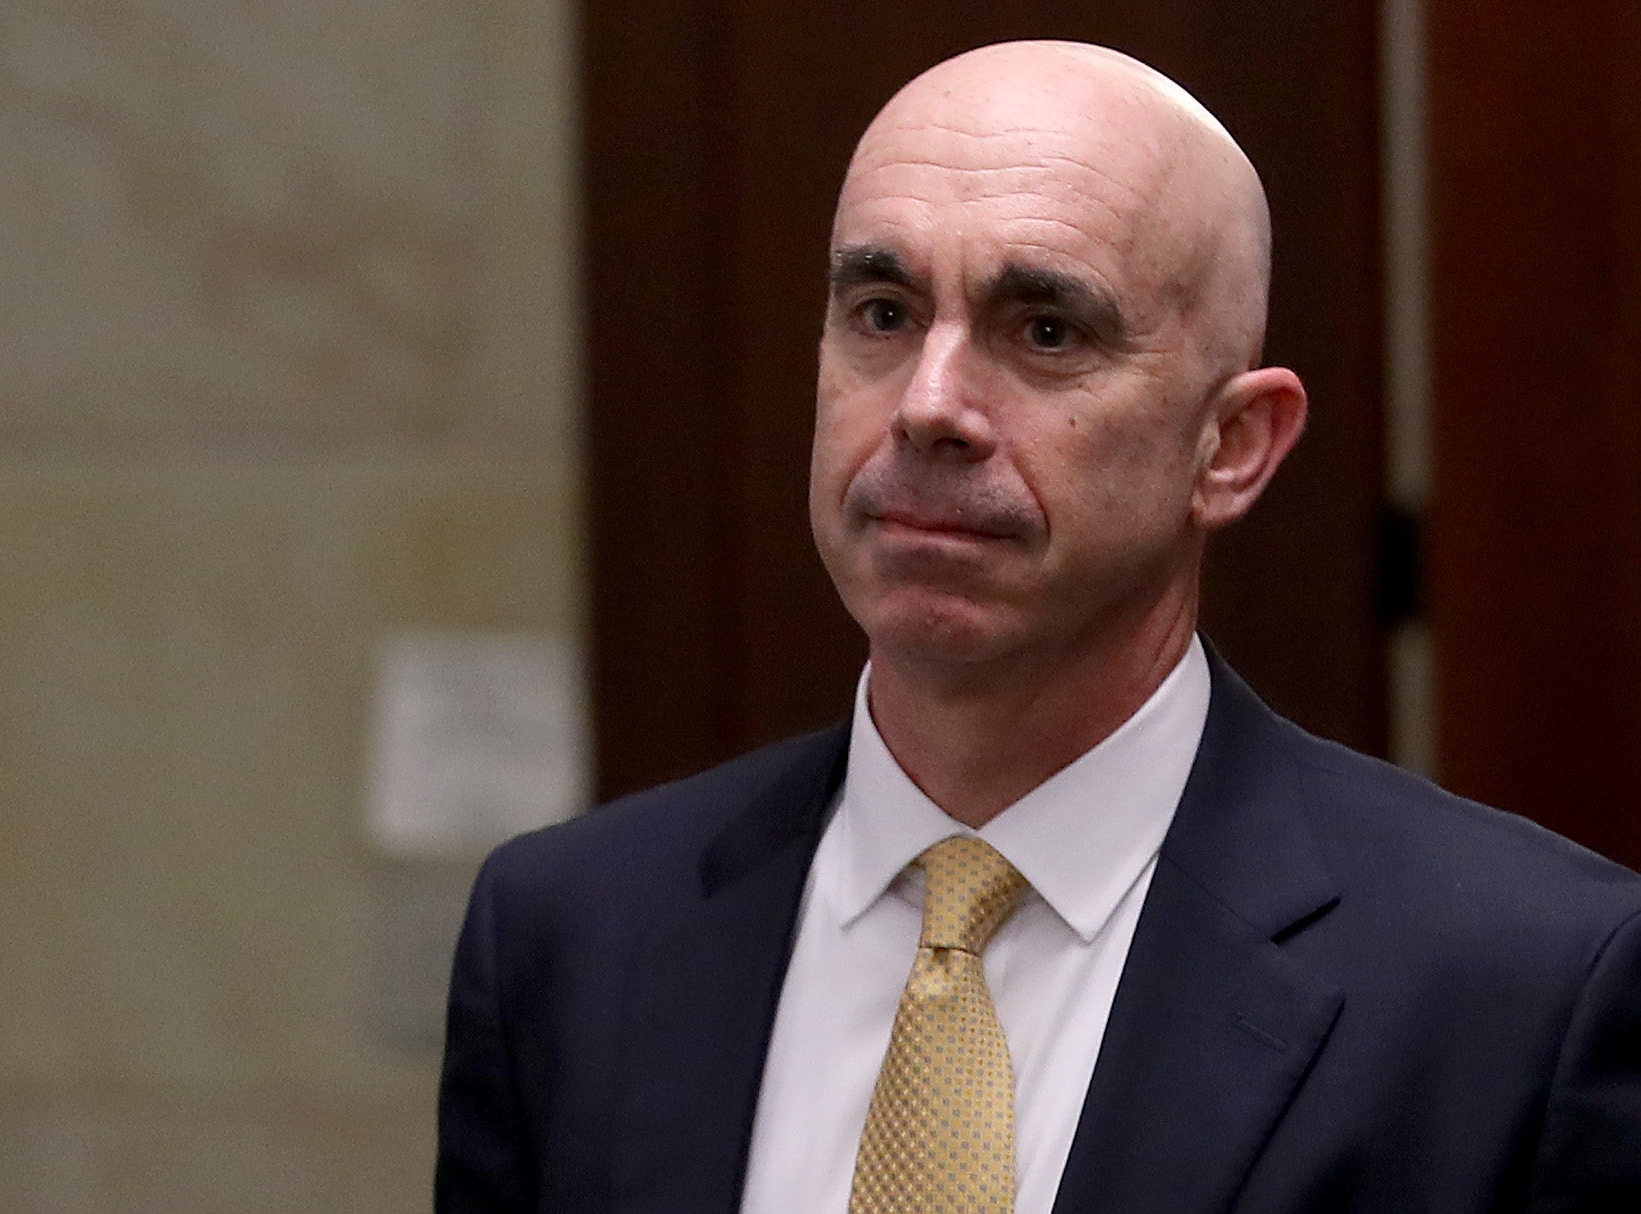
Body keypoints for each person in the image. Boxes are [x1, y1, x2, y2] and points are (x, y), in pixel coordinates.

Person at [434, 40, 1641, 1214]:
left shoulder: (1522, 993)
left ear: (1230, 448)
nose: (928, 406)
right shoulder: (570, 938)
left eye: (1045, 330)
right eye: (882, 311)